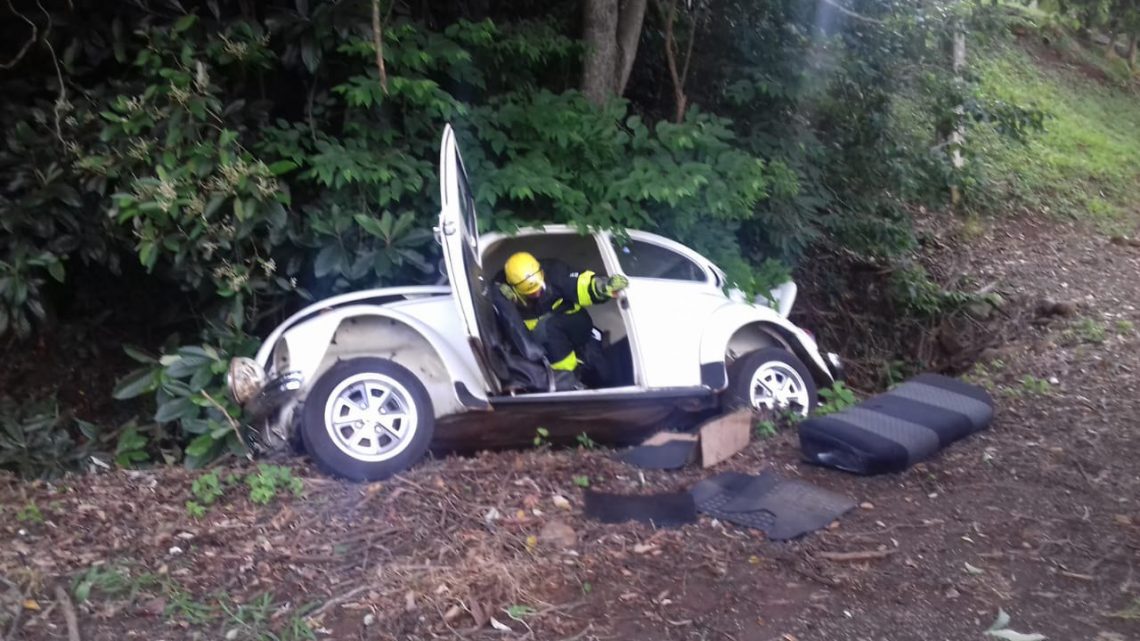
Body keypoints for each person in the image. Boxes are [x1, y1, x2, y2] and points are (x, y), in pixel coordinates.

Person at [497, 251, 629, 388]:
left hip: (574, 323)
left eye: (539, 289)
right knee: (548, 333)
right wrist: (509, 301)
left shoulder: (554, 272)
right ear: (515, 288)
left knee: (605, 375)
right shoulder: (504, 292)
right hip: (544, 342)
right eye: (531, 293)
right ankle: (570, 379)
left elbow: (579, 285)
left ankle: (570, 378)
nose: (537, 294)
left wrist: (602, 286)